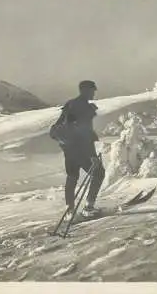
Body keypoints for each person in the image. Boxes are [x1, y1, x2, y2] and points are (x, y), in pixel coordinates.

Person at [51, 80, 106, 220]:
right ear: (85, 91)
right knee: (99, 173)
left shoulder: (70, 105)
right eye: (92, 90)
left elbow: (57, 127)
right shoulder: (85, 108)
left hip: (68, 149)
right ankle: (89, 207)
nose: (94, 93)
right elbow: (85, 133)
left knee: (72, 177)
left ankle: (70, 211)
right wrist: (92, 155)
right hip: (81, 150)